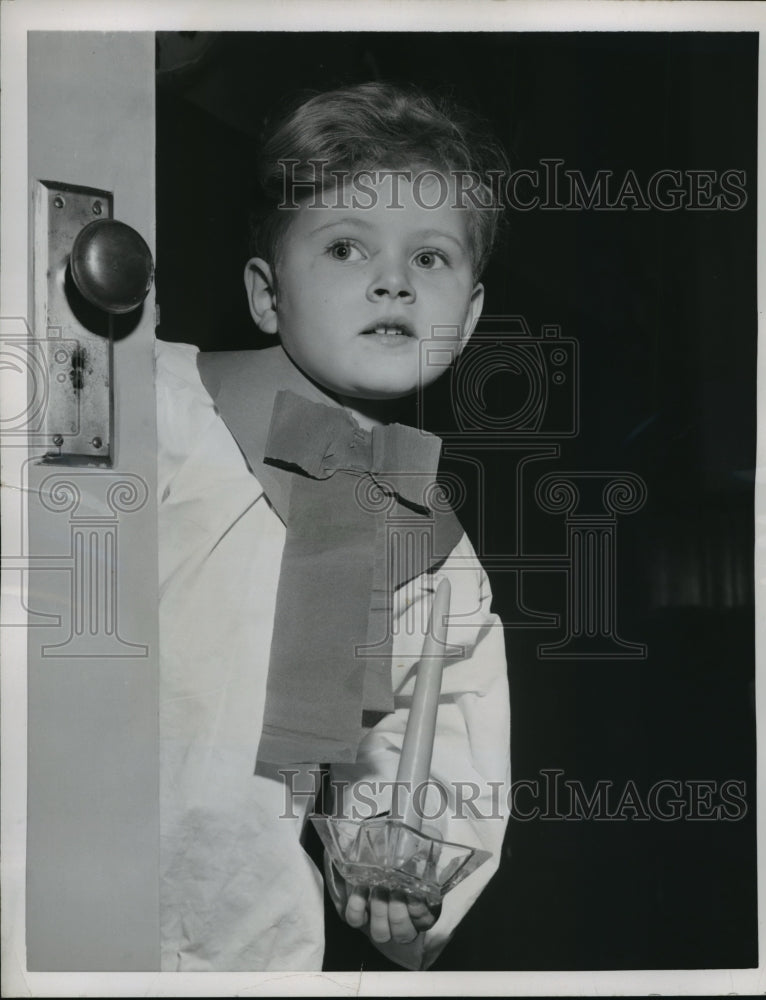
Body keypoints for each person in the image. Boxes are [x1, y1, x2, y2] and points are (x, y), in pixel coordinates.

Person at [155, 81, 511, 972]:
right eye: (347, 247)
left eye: (429, 259)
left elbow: (434, 737)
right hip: (57, 878)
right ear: (266, 295)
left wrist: (402, 866)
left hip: (246, 928)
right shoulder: (156, 407)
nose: (392, 279)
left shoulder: (432, 548)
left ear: (466, 318)